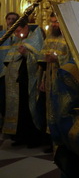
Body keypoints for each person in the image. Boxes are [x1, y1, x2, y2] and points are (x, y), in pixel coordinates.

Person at [2, 17, 45, 147]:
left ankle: (32, 138)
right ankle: (19, 136)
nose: (17, 34)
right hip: (17, 82)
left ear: (26, 27)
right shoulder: (17, 41)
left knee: (28, 109)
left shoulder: (35, 39)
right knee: (19, 109)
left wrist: (26, 53)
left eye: (19, 31)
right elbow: (10, 60)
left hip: (30, 81)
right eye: (15, 32)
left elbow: (39, 59)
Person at [38, 13, 71, 152]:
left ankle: (63, 143)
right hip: (50, 78)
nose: (54, 25)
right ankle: (52, 141)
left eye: (56, 22)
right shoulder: (49, 37)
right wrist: (43, 80)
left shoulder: (69, 38)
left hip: (63, 81)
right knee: (49, 109)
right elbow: (44, 60)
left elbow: (72, 58)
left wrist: (57, 59)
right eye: (52, 22)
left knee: (61, 108)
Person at [0, 12, 19, 128]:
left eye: (14, 19)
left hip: (15, 74)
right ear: (6, 20)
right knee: (2, 101)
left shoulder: (20, 36)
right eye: (9, 19)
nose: (11, 21)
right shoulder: (1, 35)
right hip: (1, 73)